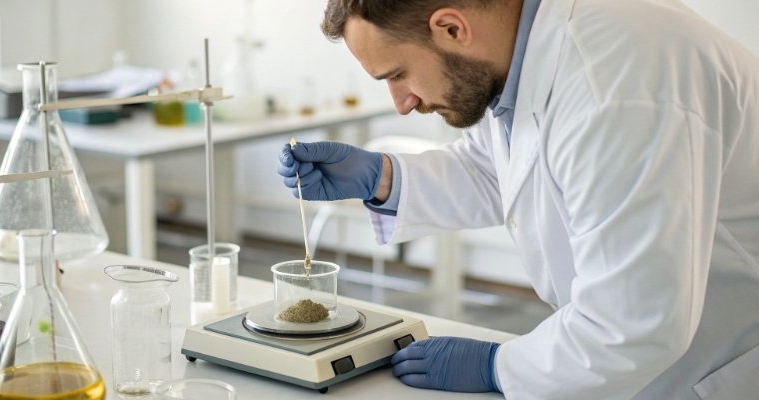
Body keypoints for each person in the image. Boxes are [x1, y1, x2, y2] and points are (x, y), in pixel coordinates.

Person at [277, 0, 759, 398]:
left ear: (451, 28)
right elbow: (499, 169)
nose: (402, 103)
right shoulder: (521, 55)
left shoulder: (615, 84)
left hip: (722, 363)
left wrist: (500, 367)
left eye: (397, 73)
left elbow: (631, 323)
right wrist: (382, 178)